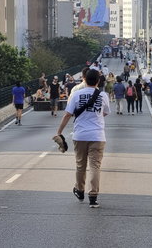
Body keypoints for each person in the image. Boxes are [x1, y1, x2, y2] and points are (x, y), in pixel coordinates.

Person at [56, 69, 110, 208]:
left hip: (80, 135)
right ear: (98, 81)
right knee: (94, 166)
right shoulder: (103, 95)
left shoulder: (76, 94)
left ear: (84, 79)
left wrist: (59, 131)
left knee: (80, 165)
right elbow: (105, 112)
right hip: (98, 135)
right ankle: (93, 196)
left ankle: (80, 190)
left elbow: (67, 115)